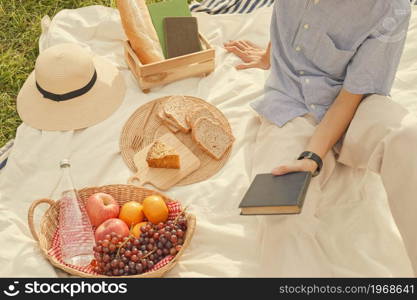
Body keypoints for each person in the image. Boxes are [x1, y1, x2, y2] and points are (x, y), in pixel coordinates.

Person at [225, 0, 417, 275]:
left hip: (356, 104)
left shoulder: (390, 8)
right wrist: (271, 57)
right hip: (291, 106)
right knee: (281, 217)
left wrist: (312, 156)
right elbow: (287, 16)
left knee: (409, 136)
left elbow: (350, 97)